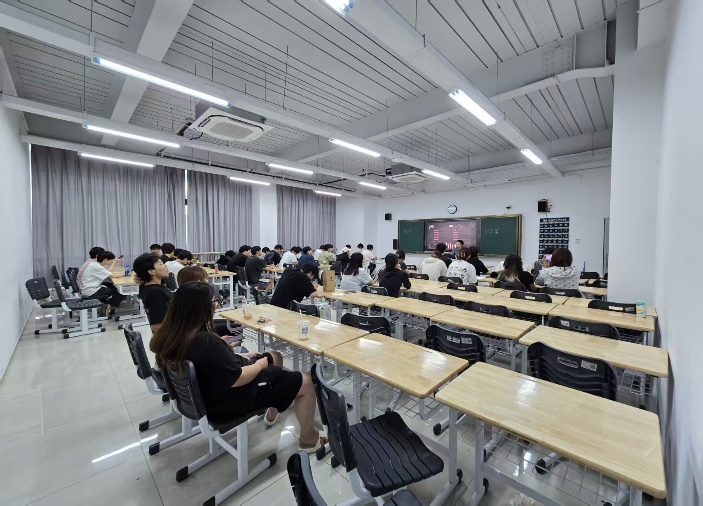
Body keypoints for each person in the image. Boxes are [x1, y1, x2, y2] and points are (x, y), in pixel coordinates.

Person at [149, 283, 325, 452]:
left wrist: (233, 355)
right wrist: (260, 364)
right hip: (229, 401)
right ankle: (308, 439)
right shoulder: (205, 341)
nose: (217, 306)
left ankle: (273, 410)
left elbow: (212, 363)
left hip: (205, 396)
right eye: (214, 302)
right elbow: (238, 378)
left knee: (275, 356)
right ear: (200, 308)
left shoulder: (170, 335)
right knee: (306, 380)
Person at [133, 253, 172, 330]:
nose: (165, 266)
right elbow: (156, 326)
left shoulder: (147, 286)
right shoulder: (156, 293)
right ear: (151, 271)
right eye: (161, 264)